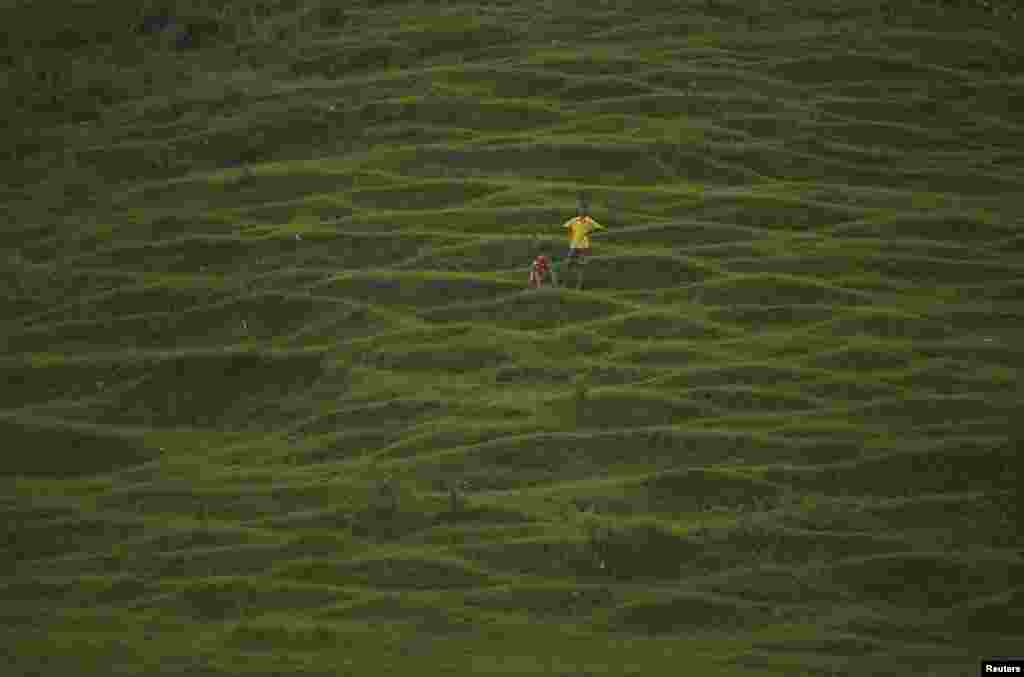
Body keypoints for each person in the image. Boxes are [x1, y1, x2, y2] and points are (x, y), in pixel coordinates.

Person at [561, 207, 606, 289]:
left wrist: (589, 232)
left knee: (580, 267)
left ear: (586, 212)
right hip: (574, 245)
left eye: (584, 211)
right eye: (581, 211)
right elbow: (565, 227)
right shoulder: (574, 220)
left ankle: (578, 286)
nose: (582, 213)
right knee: (568, 264)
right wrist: (571, 235)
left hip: (583, 246)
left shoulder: (589, 221)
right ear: (579, 212)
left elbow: (600, 228)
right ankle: (565, 284)